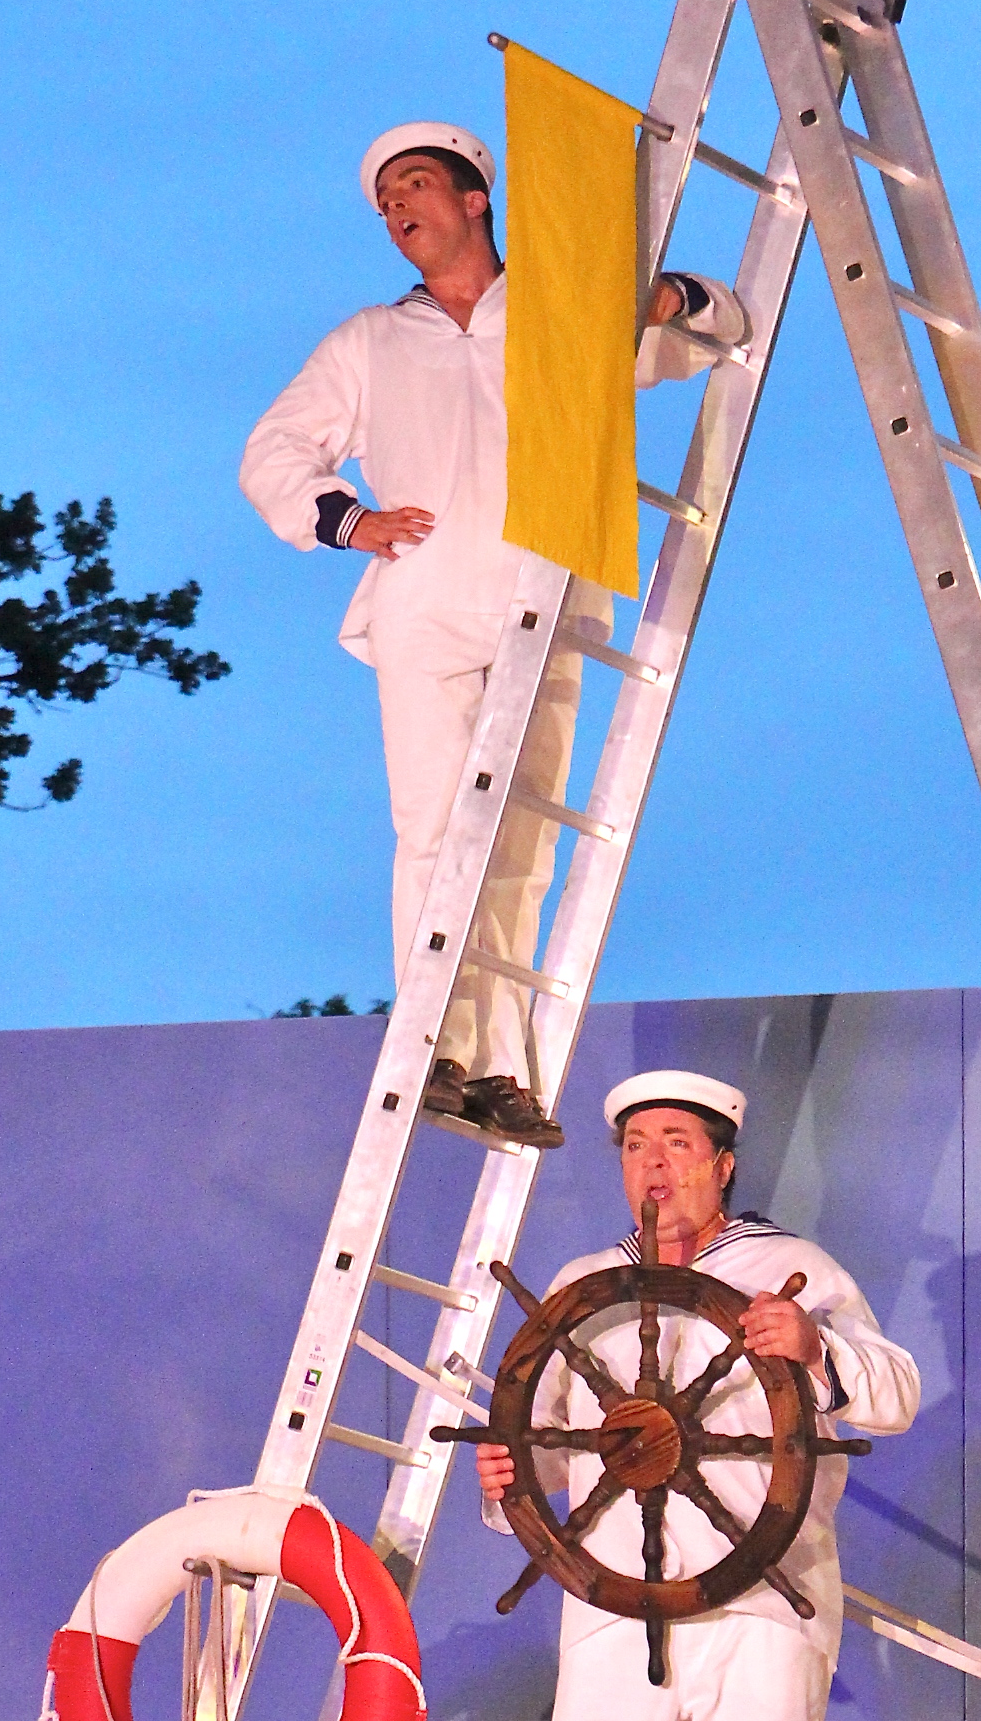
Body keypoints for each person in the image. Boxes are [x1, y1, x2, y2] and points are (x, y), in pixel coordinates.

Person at [241, 124, 749, 1146]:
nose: (396, 208)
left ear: (476, 198)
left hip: (547, 599)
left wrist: (666, 295)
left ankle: (498, 1068)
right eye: (385, 200)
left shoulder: (561, 313)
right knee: (435, 825)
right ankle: (436, 1048)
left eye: (415, 185)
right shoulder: (372, 339)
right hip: (426, 597)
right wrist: (347, 520)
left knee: (522, 841)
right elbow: (274, 451)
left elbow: (720, 326)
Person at [473, 1068, 921, 1721]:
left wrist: (816, 1348)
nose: (656, 1164)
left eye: (678, 1143)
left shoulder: (792, 1267)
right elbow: (546, 1444)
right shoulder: (581, 1286)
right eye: (637, 1146)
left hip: (765, 1605)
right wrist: (508, 1481)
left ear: (723, 1164)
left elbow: (894, 1392)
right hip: (613, 1606)